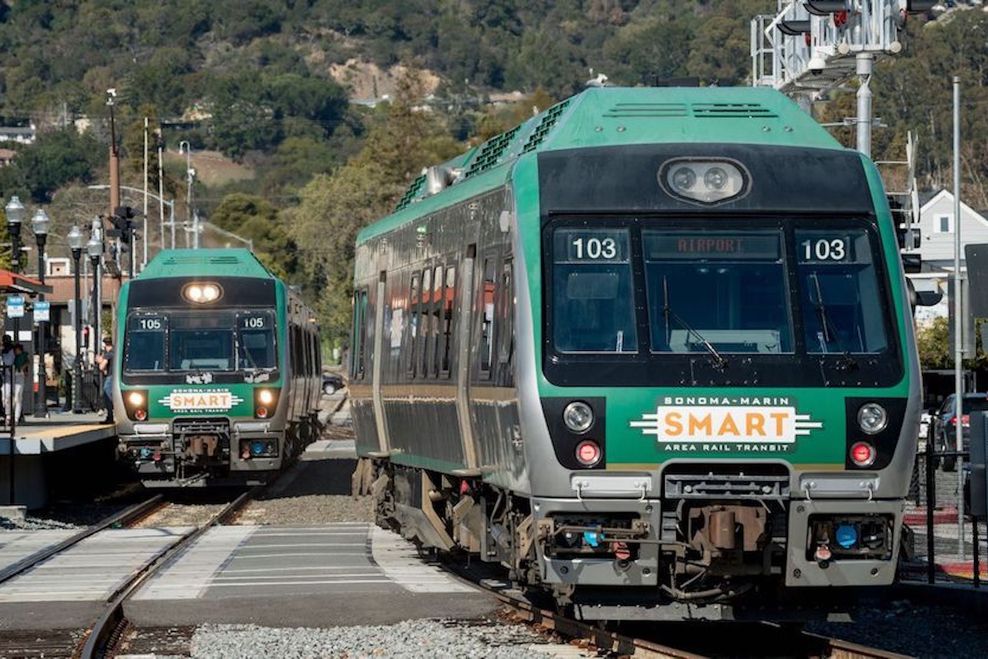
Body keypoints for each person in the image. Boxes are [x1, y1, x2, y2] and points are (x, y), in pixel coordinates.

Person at [96, 336, 114, 423]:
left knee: (107, 394)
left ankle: (110, 416)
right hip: (115, 376)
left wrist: (100, 361)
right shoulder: (115, 352)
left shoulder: (109, 354)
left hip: (110, 376)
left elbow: (102, 366)